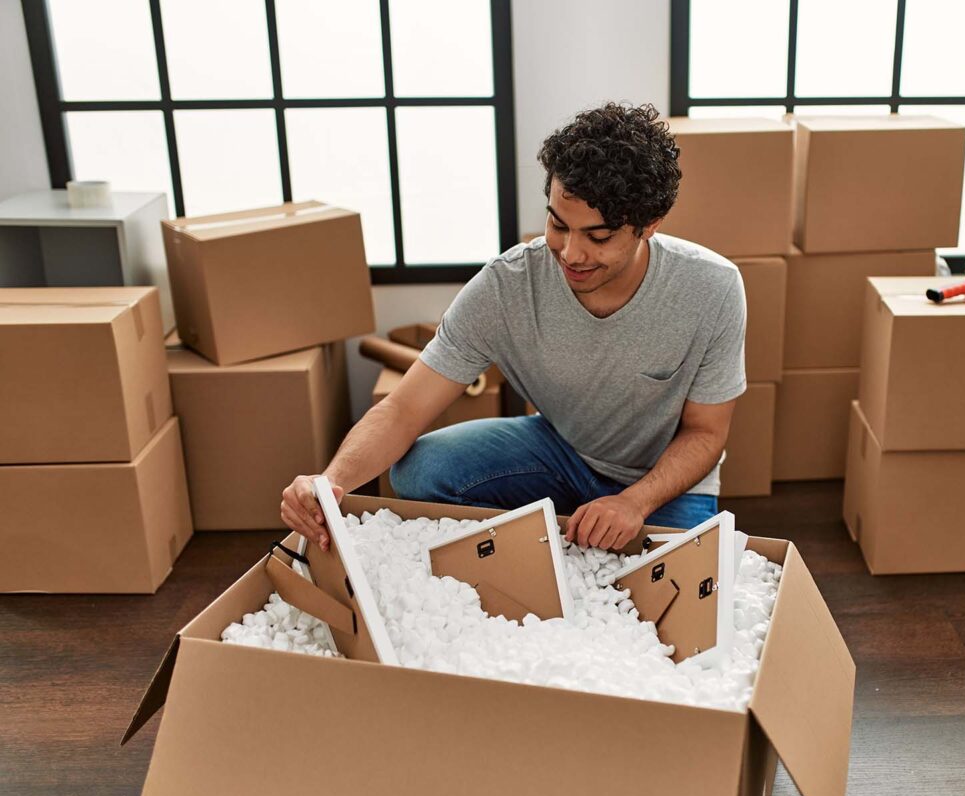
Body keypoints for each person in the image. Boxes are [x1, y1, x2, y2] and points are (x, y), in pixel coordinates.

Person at [281, 102, 747, 553]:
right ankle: (560, 532)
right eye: (558, 224)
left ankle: (579, 524)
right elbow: (403, 410)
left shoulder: (712, 288)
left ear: (649, 225)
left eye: (598, 237)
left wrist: (634, 502)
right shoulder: (506, 286)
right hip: (565, 453)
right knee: (421, 470)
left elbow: (706, 433)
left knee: (679, 592)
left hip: (661, 484)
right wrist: (331, 482)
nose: (570, 254)